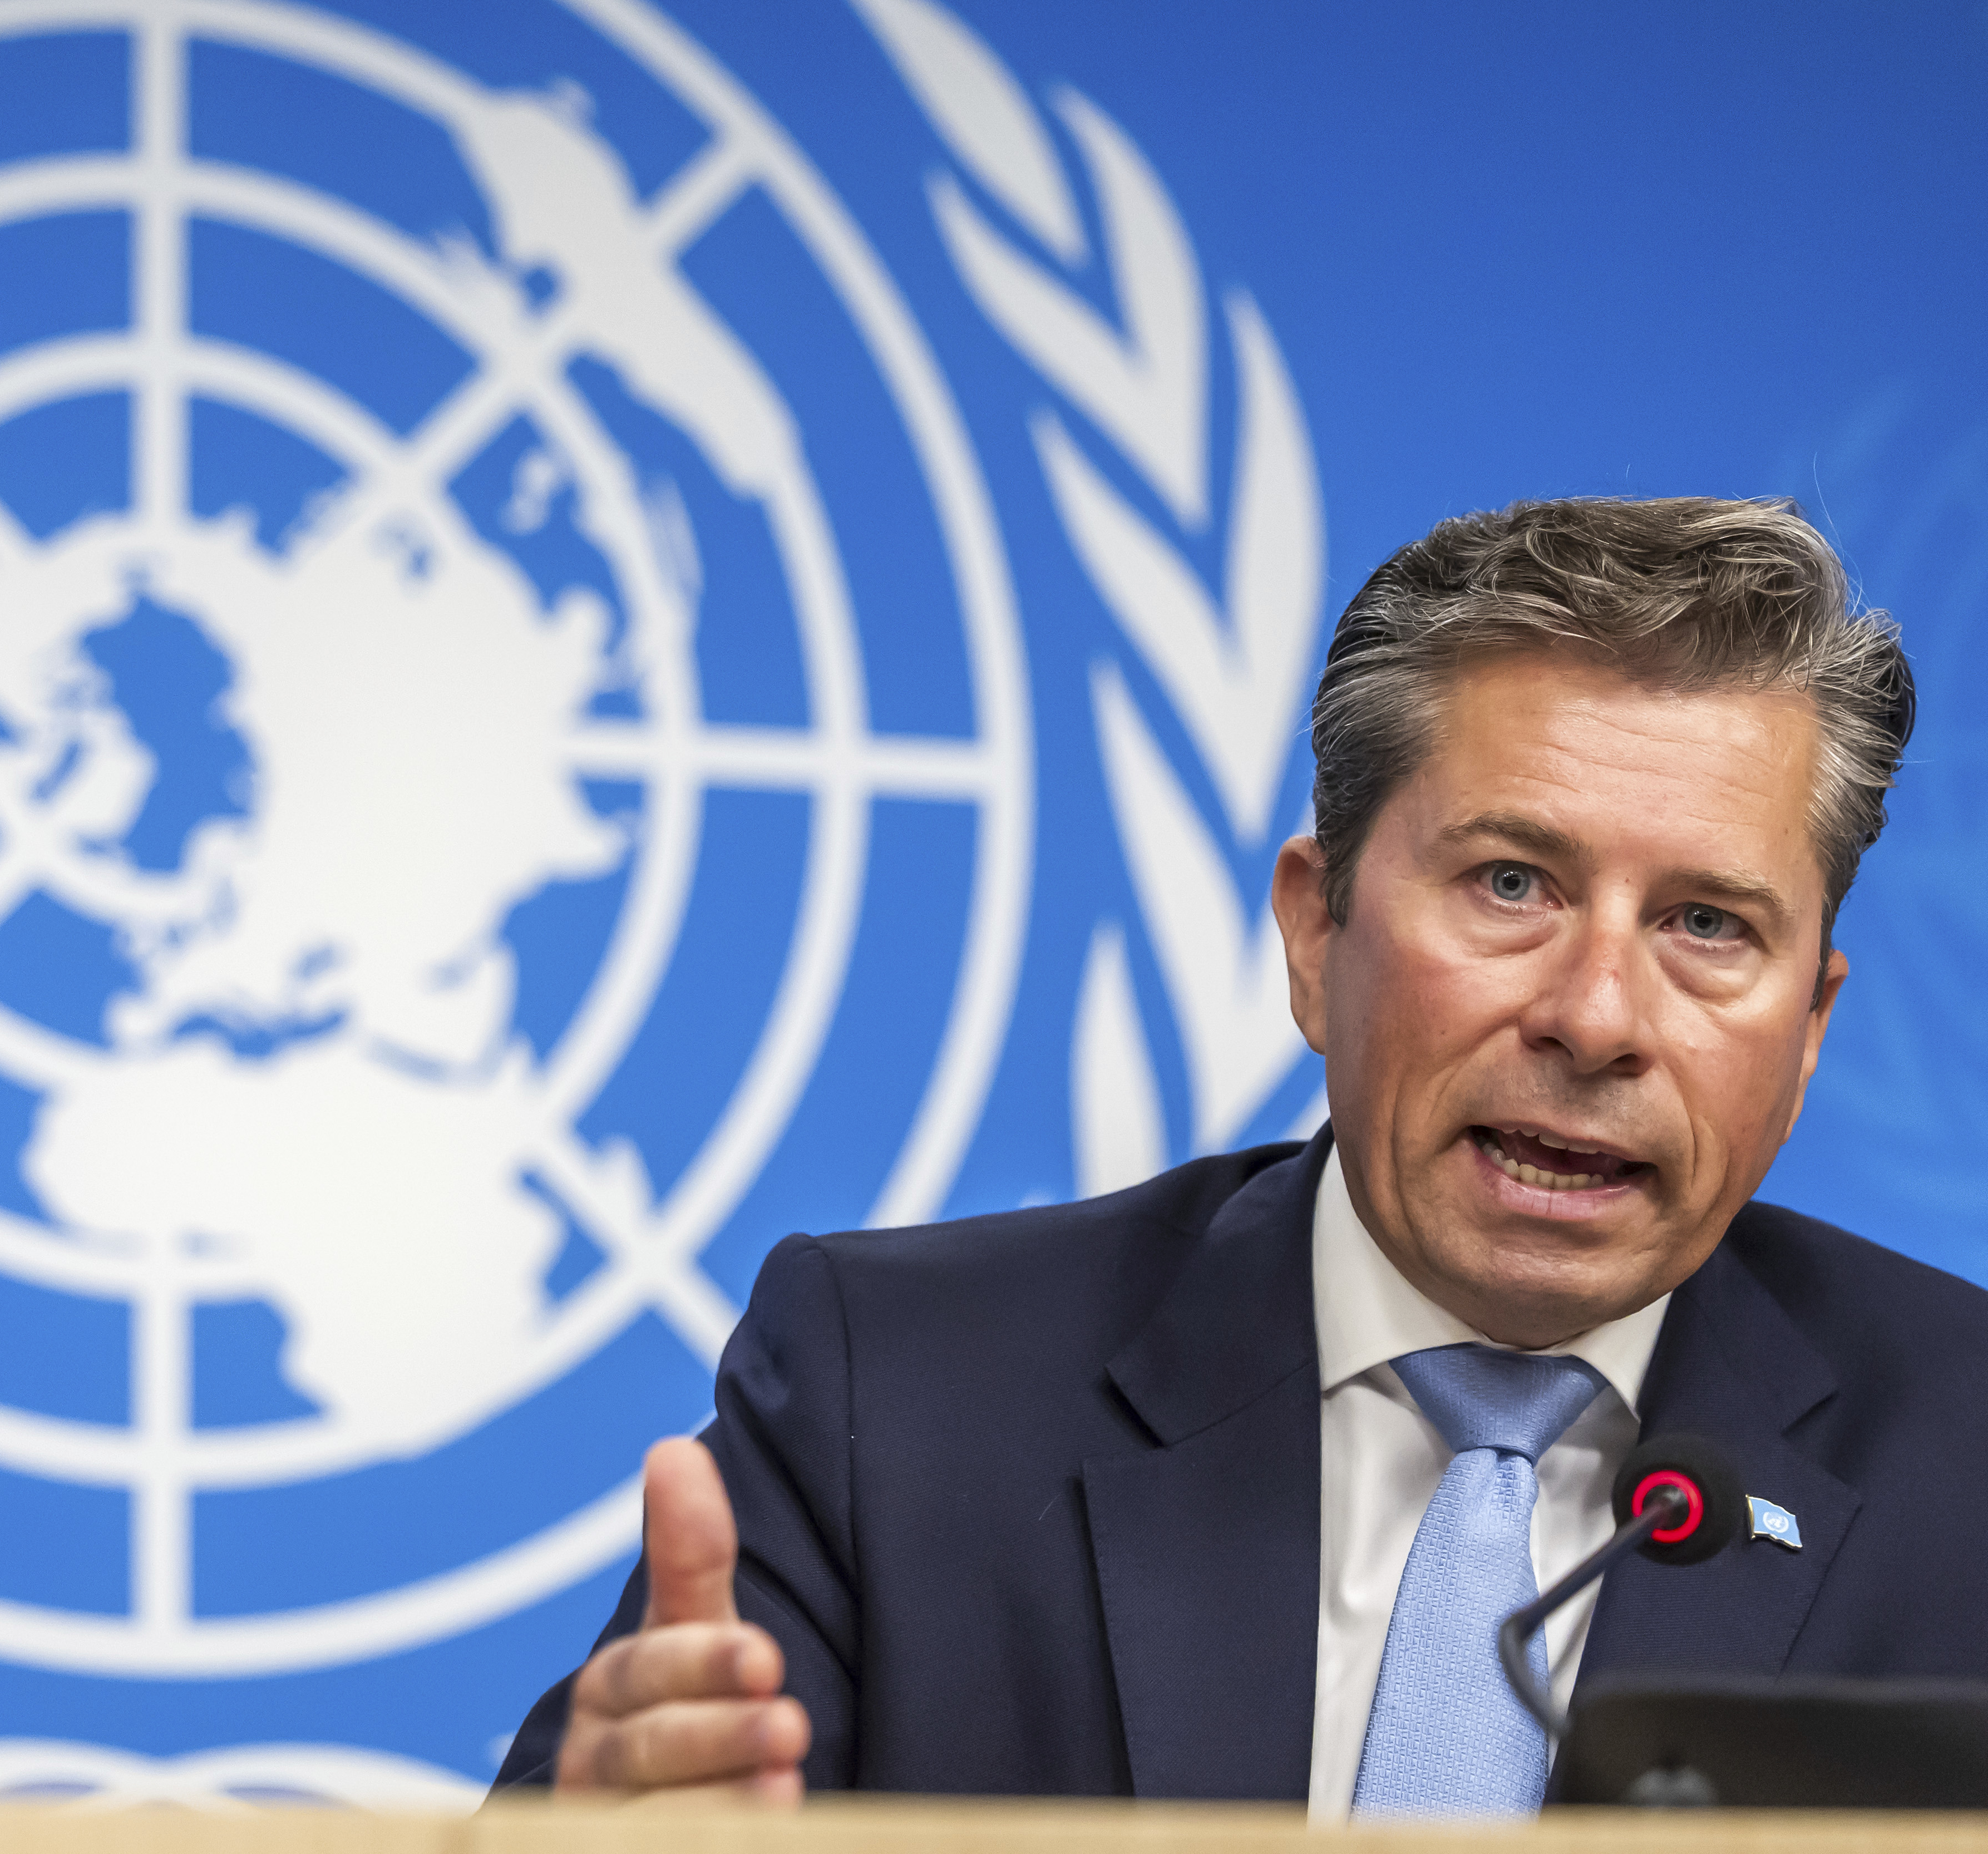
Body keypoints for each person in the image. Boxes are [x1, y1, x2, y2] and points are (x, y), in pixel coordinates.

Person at [490, 496, 1988, 1816]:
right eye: (1513, 882)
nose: (1599, 1017)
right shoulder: (898, 1394)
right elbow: (647, 1807)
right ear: (1316, 929)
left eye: (1709, 925)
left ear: (1806, 1027)